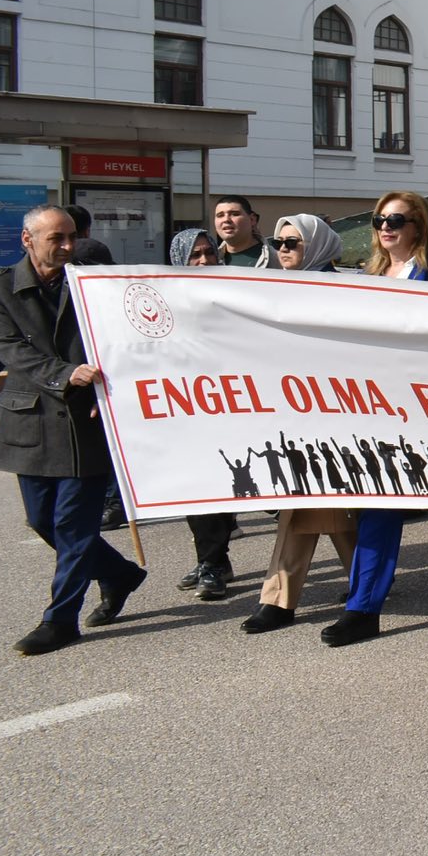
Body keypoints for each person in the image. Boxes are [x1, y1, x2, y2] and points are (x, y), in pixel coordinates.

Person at [319, 193, 428, 647]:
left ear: (418, 226)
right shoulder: (368, 276)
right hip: (381, 411)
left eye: (396, 219)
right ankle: (363, 608)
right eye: (379, 219)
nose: (386, 227)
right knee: (379, 505)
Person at [0, 206, 146, 655]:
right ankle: (118, 573)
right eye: (57, 238)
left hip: (87, 421)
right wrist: (65, 373)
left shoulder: (92, 283)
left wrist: (113, 390)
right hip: (30, 420)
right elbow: (11, 351)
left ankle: (60, 620)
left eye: (72, 236)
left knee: (73, 527)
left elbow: (126, 340)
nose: (68, 246)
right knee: (42, 521)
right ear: (28, 240)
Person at [241, 214, 360, 634]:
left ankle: (282, 598)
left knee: (313, 503)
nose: (283, 249)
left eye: (293, 242)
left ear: (318, 244)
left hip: (337, 415)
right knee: (325, 504)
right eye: (278, 242)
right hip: (292, 414)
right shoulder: (276, 288)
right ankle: (365, 579)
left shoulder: (345, 291)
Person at [167, 227, 238, 602]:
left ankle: (213, 562)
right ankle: (212, 559)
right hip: (186, 407)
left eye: (209, 252)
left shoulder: (234, 296)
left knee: (218, 485)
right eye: (195, 255)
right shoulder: (166, 302)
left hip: (228, 405)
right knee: (194, 488)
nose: (204, 260)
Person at [211, 195, 264, 266]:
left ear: (252, 219)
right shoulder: (210, 261)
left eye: (234, 214)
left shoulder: (275, 260)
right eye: (220, 215)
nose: (226, 220)